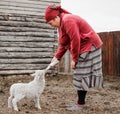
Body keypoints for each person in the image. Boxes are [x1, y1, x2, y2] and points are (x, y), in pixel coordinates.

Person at [44, 4, 103, 111]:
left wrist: (74, 59)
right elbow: (63, 43)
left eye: (50, 23)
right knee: (80, 74)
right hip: (84, 46)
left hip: (90, 46)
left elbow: (75, 40)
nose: (51, 25)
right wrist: (56, 58)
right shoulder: (61, 26)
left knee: (80, 74)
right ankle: (81, 103)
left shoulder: (68, 20)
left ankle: (80, 105)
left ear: (56, 17)